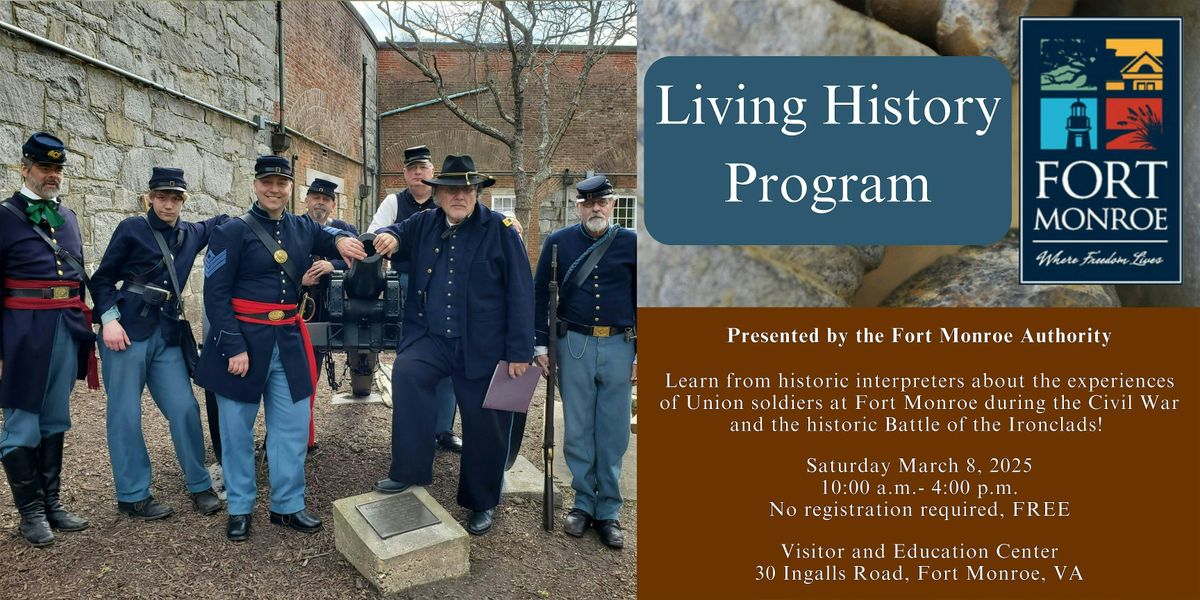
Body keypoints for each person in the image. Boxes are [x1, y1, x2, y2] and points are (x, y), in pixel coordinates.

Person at [194, 156, 365, 541]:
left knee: (289, 429)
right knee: (237, 429)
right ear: (256, 184)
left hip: (286, 339)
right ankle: (239, 506)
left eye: (282, 183)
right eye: (268, 182)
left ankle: (287, 506)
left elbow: (332, 239)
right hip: (244, 342)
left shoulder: (303, 226)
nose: (274, 189)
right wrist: (233, 345)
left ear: (291, 189)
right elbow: (215, 296)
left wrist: (338, 241)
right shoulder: (231, 231)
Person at [370, 154, 533, 535]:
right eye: (451, 190)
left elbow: (522, 294)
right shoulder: (424, 222)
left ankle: (482, 501)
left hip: (484, 344)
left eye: (466, 189)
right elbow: (393, 232)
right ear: (439, 194)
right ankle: (409, 471)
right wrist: (391, 235)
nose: (459, 195)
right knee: (408, 374)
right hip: (430, 337)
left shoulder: (502, 230)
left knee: (486, 421)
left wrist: (519, 352)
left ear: (476, 192)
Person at [91, 167, 227, 520]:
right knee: (125, 414)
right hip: (125, 331)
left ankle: (199, 484)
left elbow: (223, 222)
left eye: (176, 198)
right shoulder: (132, 229)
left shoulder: (191, 233)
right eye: (162, 197)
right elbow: (103, 279)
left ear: (183, 201)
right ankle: (133, 494)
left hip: (166, 334)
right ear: (150, 197)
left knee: (185, 408)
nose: (168, 205)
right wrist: (108, 320)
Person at [0, 132, 96, 547]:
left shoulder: (68, 217)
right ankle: (31, 513)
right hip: (20, 332)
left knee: (55, 415)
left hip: (63, 327)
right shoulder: (4, 217)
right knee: (22, 420)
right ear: (25, 168)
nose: (52, 176)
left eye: (57, 169)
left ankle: (52, 502)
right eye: (45, 168)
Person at [534, 174, 636, 549]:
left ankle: (608, 511)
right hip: (573, 344)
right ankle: (582, 504)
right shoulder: (559, 243)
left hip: (620, 345)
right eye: (588, 202)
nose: (596, 208)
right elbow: (539, 296)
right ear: (578, 206)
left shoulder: (631, 244)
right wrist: (540, 346)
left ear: (612, 205)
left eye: (603, 202)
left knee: (613, 432)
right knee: (577, 429)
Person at [368, 145, 460, 453]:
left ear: (433, 173)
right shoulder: (394, 202)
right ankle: (418, 433)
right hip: (406, 285)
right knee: (413, 363)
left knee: (451, 360)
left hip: (447, 287)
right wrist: (389, 237)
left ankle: (443, 428)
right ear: (405, 174)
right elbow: (373, 236)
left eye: (422, 167)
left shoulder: (449, 200)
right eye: (411, 169)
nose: (417, 173)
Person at [299, 177, 359, 453]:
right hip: (300, 305)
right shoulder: (294, 226)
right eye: (315, 197)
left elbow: (359, 259)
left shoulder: (345, 230)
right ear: (306, 200)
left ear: (333, 205)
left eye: (325, 199)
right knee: (298, 374)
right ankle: (300, 434)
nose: (319, 202)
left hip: (331, 308)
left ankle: (303, 434)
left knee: (311, 374)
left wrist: (331, 264)